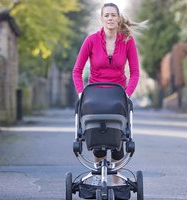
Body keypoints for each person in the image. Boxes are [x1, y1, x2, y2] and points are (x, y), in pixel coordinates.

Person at [72, 3, 141, 185]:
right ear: (101, 19)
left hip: (118, 96)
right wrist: (81, 93)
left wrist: (127, 94)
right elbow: (77, 70)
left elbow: (135, 72)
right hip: (95, 96)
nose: (110, 18)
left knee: (118, 144)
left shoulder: (127, 41)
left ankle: (117, 182)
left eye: (113, 15)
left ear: (118, 18)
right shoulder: (91, 40)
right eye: (107, 15)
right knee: (98, 143)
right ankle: (97, 177)